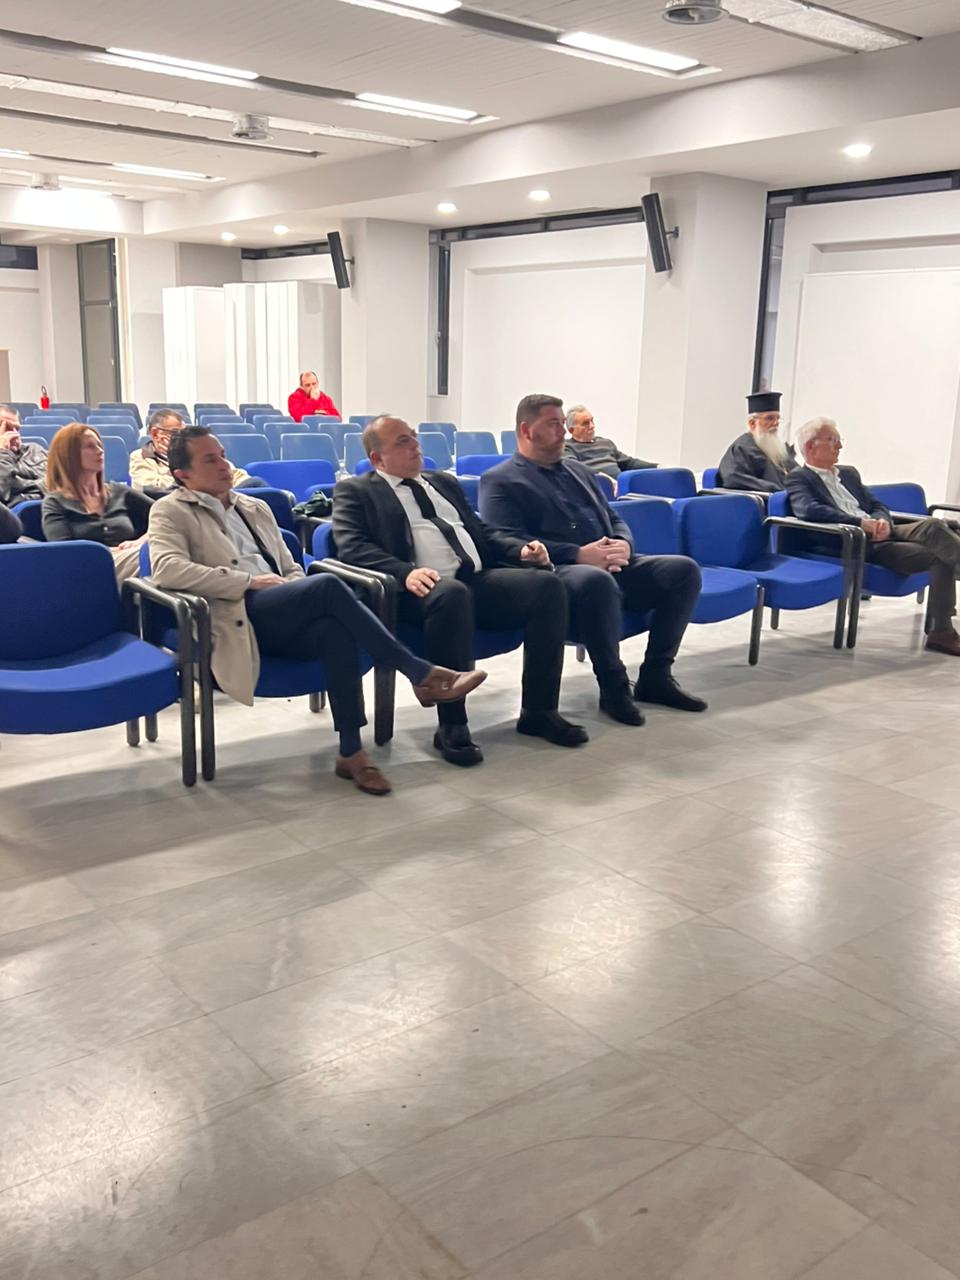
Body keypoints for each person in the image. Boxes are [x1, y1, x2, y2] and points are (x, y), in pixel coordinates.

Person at [148, 427, 487, 795]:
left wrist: (293, 589)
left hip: (280, 605)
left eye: (223, 455)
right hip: (235, 612)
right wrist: (246, 581)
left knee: (333, 629)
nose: (223, 465)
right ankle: (418, 672)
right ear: (182, 474)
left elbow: (290, 566)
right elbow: (166, 569)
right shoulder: (170, 511)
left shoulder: (254, 507)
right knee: (326, 585)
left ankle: (351, 752)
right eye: (209, 460)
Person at [332, 415, 586, 766]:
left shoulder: (443, 482)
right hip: (417, 592)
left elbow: (481, 532)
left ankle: (539, 711)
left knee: (547, 585)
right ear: (378, 458)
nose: (416, 446)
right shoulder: (357, 491)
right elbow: (352, 547)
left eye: (414, 437)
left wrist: (520, 550)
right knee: (452, 594)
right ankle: (452, 725)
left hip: (476, 579)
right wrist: (404, 573)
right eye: (403, 442)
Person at [480, 394, 706, 726]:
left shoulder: (579, 470)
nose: (562, 432)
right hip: (559, 572)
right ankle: (613, 686)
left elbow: (613, 517)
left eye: (562, 423)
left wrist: (624, 544)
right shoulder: (500, 479)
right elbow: (504, 539)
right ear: (526, 430)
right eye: (553, 424)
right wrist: (578, 555)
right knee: (595, 579)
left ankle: (656, 675)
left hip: (609, 561)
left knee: (683, 570)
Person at [786, 417, 960, 657]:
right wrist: (860, 523)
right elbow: (808, 510)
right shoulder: (799, 478)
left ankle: (940, 633)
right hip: (854, 540)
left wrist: (881, 522)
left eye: (839, 440)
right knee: (938, 557)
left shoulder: (848, 474)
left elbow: (877, 504)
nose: (840, 446)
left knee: (933, 526)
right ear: (811, 446)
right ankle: (942, 633)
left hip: (881, 531)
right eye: (833, 440)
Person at [42, 424, 152, 581]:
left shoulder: (119, 491)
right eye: (90, 446)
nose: (100, 450)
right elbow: (65, 552)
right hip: (90, 570)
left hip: (133, 561)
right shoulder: (55, 503)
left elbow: (164, 516)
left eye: (99, 445)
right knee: (157, 557)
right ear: (69, 455)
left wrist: (141, 542)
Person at [130, 410, 265, 497]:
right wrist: (199, 480)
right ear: (155, 434)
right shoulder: (142, 456)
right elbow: (149, 487)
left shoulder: (193, 450)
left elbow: (233, 473)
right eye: (176, 433)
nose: (181, 438)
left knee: (255, 484)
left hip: (219, 496)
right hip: (179, 503)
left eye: (184, 433)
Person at [717, 391, 797, 492]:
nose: (776, 423)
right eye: (769, 418)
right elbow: (733, 479)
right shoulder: (741, 449)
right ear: (752, 423)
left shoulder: (779, 448)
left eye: (778, 418)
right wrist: (775, 490)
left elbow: (797, 473)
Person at [563, 406, 657, 487]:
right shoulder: (566, 447)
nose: (592, 426)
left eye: (592, 421)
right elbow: (574, 467)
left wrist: (656, 467)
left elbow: (628, 463)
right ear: (572, 430)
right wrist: (602, 478)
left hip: (621, 489)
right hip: (596, 490)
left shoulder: (605, 443)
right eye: (585, 423)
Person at [0, 405, 47, 506]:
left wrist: (19, 495)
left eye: (17, 429)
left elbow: (53, 486)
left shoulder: (33, 450)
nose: (15, 434)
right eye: (6, 428)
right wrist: (3, 452)